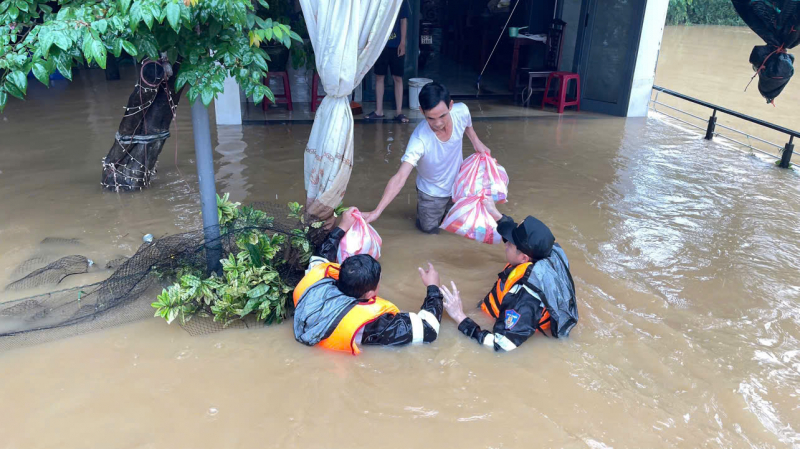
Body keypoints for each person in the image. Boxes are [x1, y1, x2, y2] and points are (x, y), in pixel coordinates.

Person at [292, 208, 444, 355]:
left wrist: (343, 226)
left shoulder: (314, 281)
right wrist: (433, 287)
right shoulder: (371, 326)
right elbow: (429, 330)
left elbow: (321, 256)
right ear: (371, 293)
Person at [439, 199, 579, 352]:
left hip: (518, 321)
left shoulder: (525, 297)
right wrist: (495, 214)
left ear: (524, 258)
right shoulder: (548, 251)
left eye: (510, 244)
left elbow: (500, 346)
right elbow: (520, 236)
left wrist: (459, 316)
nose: (505, 244)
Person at [362, 82, 491, 233]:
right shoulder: (419, 140)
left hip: (459, 187)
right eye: (431, 118)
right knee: (429, 231)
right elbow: (400, 177)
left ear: (451, 106)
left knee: (456, 227)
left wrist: (476, 142)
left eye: (442, 116)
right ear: (421, 111)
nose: (438, 123)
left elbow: (467, 125)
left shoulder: (461, 111)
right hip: (431, 193)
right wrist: (377, 211)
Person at [365, 0, 411, 123]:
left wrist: (402, 42)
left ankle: (399, 112)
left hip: (396, 45)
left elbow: (403, 20)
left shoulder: (401, 1)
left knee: (398, 78)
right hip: (380, 45)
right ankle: (379, 111)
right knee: (380, 77)